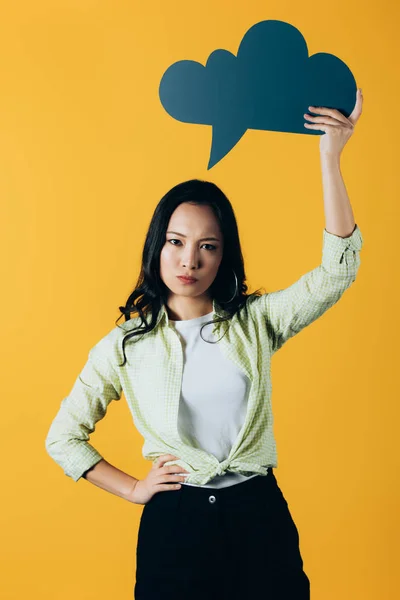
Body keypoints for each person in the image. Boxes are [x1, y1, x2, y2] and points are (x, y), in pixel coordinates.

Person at [45, 92, 364, 599]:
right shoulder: (124, 346)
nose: (188, 260)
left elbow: (338, 271)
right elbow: (63, 439)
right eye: (176, 241)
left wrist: (330, 156)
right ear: (158, 246)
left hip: (258, 516)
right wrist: (133, 489)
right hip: (176, 526)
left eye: (207, 246)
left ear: (223, 258)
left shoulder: (255, 323)